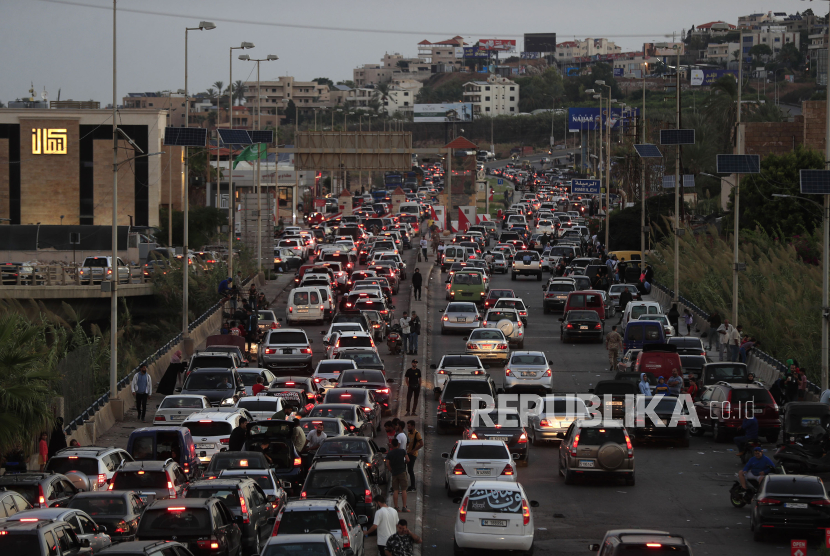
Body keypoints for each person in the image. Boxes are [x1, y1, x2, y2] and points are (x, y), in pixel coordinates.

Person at [386, 438, 409, 512]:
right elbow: (408, 460)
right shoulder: (402, 451)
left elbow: (387, 464)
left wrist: (391, 470)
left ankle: (396, 507)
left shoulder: (389, 453)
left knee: (395, 490)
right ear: (398, 444)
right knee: (404, 490)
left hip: (394, 473)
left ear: (392, 445)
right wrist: (404, 463)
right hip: (402, 471)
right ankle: (404, 507)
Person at [405, 420, 423, 493]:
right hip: (408, 453)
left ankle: (413, 486)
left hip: (413, 455)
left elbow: (421, 444)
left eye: (409, 426)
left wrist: (414, 450)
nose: (408, 427)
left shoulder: (417, 434)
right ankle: (410, 485)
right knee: (408, 469)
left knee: (410, 470)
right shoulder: (409, 433)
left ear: (413, 426)